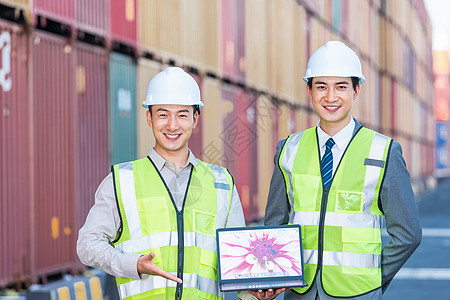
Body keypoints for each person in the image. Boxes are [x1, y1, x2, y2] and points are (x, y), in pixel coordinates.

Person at [264, 41, 422, 299]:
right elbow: (274, 225)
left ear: (356, 90)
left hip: (358, 293)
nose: (330, 97)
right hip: (299, 292)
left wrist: (373, 280)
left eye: (341, 87)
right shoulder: (288, 149)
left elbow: (409, 234)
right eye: (321, 87)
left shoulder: (383, 151)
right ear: (309, 90)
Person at [77, 67, 246, 299]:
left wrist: (257, 293)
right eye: (163, 114)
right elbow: (87, 245)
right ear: (149, 118)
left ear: (195, 118)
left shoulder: (222, 183)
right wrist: (132, 264)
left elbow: (240, 261)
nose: (173, 125)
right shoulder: (122, 180)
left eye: (183, 115)